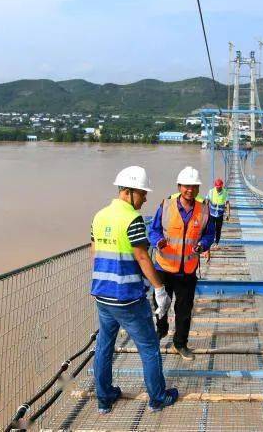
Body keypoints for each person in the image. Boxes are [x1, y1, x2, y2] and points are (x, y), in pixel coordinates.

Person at [90, 166, 178, 414]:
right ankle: (158, 398)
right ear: (128, 192)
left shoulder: (99, 216)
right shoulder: (132, 219)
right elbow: (142, 257)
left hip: (102, 294)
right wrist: (160, 290)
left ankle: (104, 397)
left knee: (105, 345)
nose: (145, 198)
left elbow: (94, 252)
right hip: (127, 297)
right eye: (142, 193)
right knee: (149, 347)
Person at [148, 166, 215, 361]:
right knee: (161, 304)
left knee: (184, 310)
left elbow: (209, 234)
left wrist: (203, 245)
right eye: (186, 186)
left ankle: (180, 343)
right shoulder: (166, 205)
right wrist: (157, 240)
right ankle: (161, 331)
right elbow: (153, 230)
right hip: (164, 268)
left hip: (187, 270)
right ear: (179, 186)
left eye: (194, 187)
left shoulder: (204, 210)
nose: (190, 190)